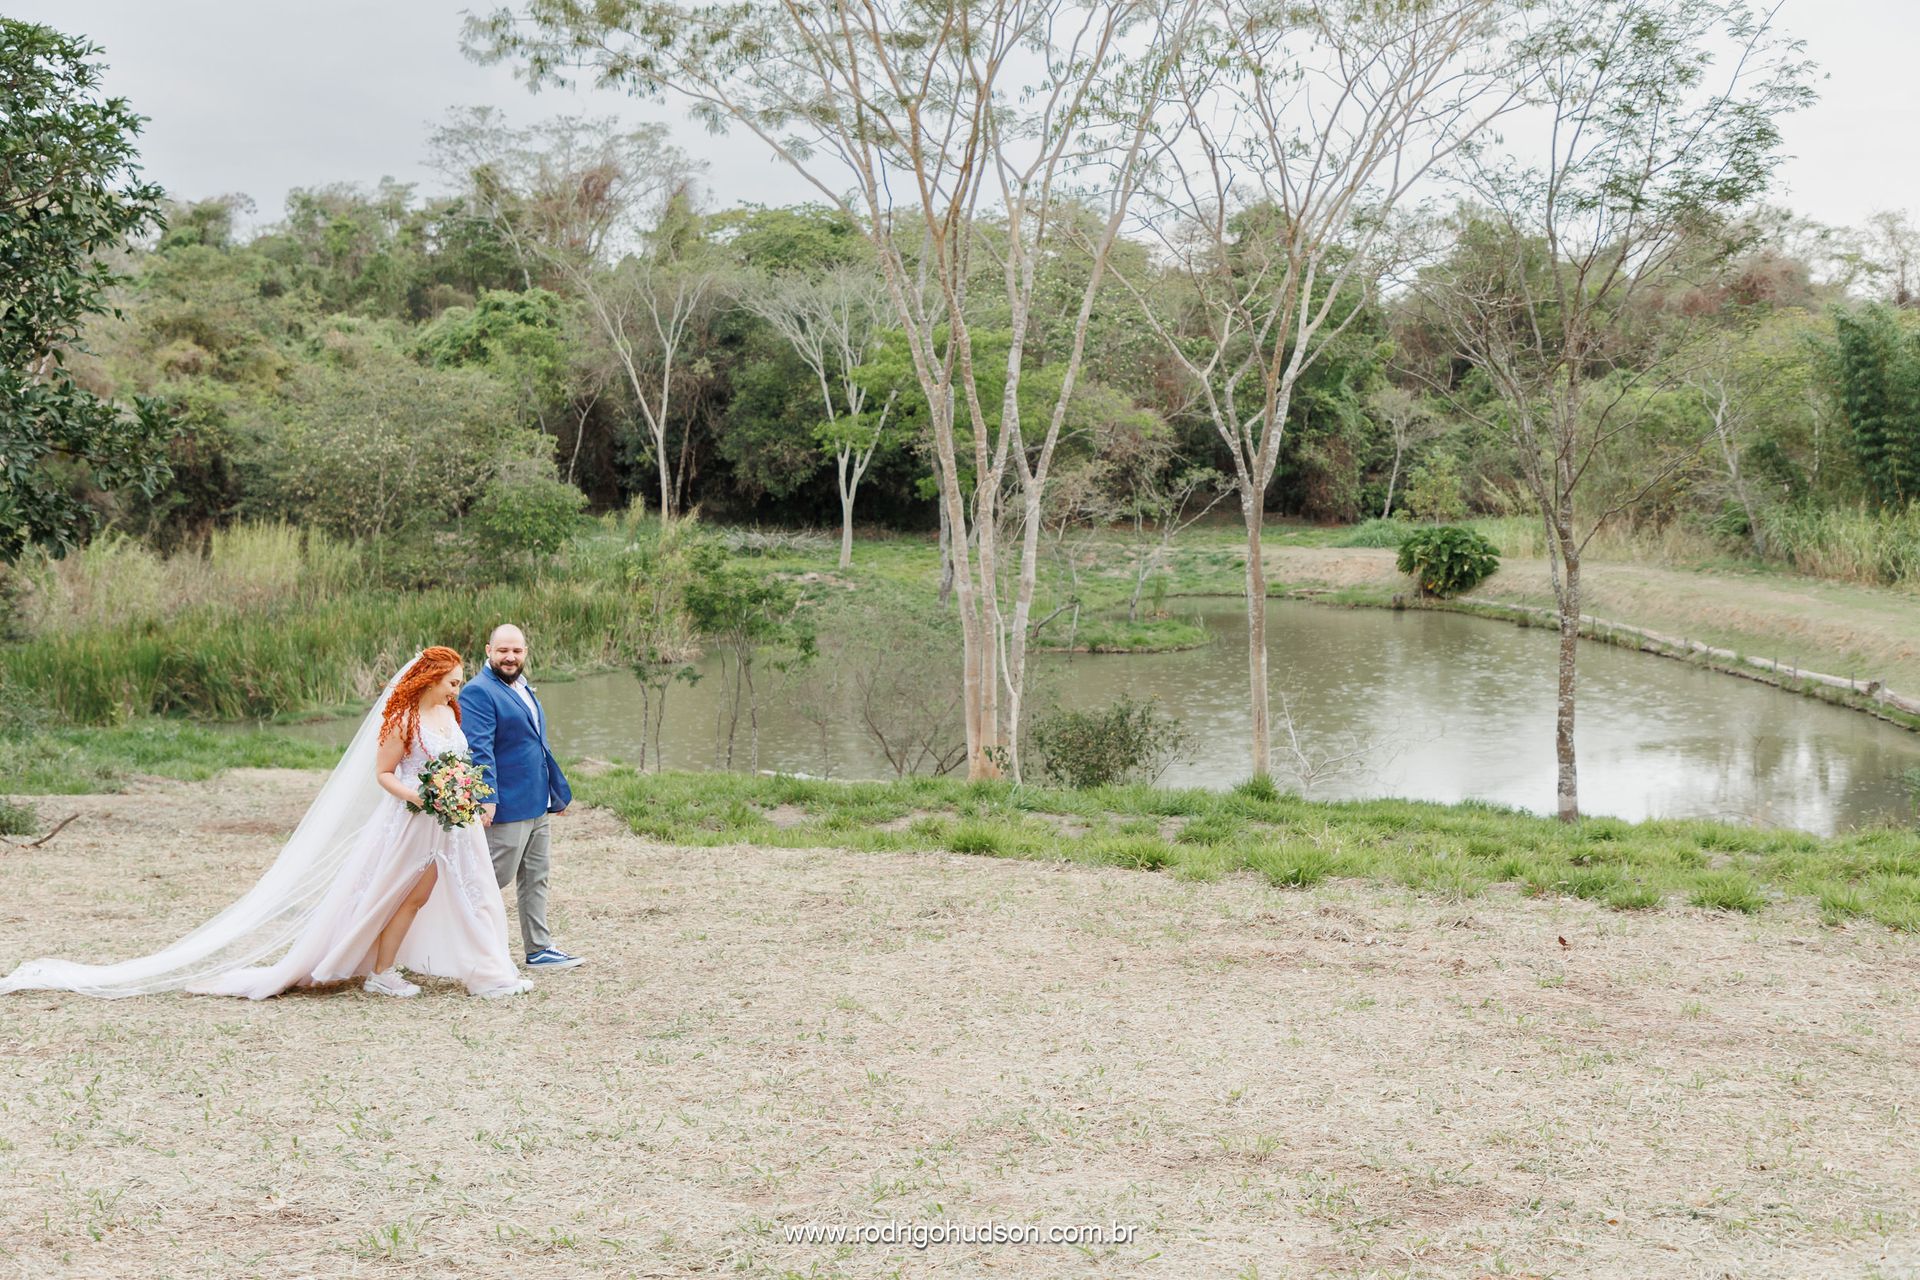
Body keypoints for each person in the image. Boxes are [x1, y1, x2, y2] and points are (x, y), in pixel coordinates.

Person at [0, 648, 533, 1000]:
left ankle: (488, 970)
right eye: (451, 682)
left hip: (449, 823)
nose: (457, 690)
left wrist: (463, 789)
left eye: (460, 683)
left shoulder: (451, 715)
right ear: (429, 679)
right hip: (413, 820)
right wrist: (421, 793)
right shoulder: (405, 719)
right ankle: (380, 972)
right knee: (394, 896)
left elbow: (458, 762)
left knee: (463, 891)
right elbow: (384, 774)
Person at [460, 624, 583, 971]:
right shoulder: (478, 692)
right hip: (507, 807)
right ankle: (461, 946)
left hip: (537, 803)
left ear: (525, 652)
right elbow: (479, 749)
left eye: (516, 651)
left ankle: (539, 949)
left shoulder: (524, 687)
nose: (510, 657)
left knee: (536, 878)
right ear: (488, 650)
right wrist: (487, 797)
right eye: (503, 651)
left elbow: (535, 746)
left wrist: (553, 790)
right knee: (489, 880)